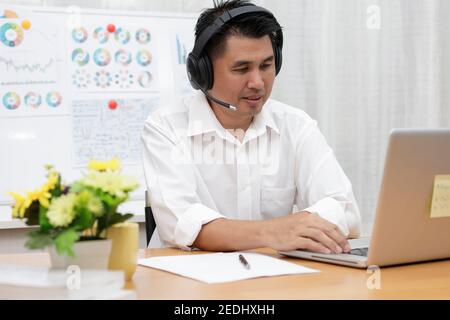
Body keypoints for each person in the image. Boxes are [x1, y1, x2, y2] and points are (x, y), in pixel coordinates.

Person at [141, 0, 361, 254]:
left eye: (266, 66)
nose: (257, 82)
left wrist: (295, 228)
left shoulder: (296, 125)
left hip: (274, 281)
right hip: (189, 284)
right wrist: (276, 232)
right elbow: (183, 224)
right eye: (242, 68)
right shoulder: (165, 128)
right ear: (203, 73)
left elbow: (345, 209)